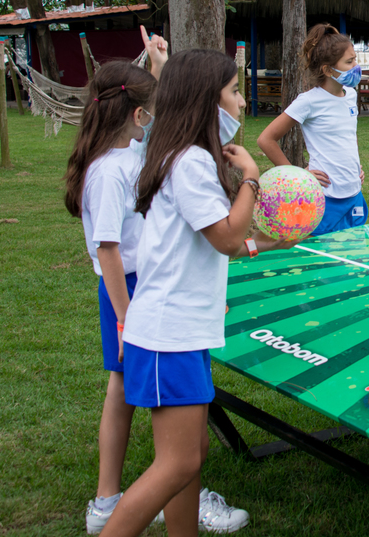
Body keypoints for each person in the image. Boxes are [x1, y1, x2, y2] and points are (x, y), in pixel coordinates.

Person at [102, 49, 293, 537]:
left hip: (180, 332)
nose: (241, 103)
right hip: (169, 334)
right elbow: (227, 236)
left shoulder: (184, 157)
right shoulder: (188, 163)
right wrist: (252, 175)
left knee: (190, 458)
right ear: (207, 102)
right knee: (177, 464)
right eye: (233, 91)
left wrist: (275, 240)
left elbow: (215, 245)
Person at [63, 58, 163, 533]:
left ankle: (121, 495)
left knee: (125, 388)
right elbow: (107, 251)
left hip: (143, 284)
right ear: (136, 115)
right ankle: (115, 498)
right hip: (130, 289)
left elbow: (170, 128)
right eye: (150, 108)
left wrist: (159, 69)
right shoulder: (108, 172)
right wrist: (126, 319)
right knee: (133, 388)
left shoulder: (129, 153)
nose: (154, 115)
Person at [257, 23, 367, 236]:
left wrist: (356, 167)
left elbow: (347, 136)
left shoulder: (351, 95)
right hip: (324, 197)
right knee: (325, 261)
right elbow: (266, 139)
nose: (356, 66)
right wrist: (298, 176)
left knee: (355, 255)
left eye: (355, 59)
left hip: (354, 193)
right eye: (349, 61)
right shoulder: (308, 101)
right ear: (327, 70)